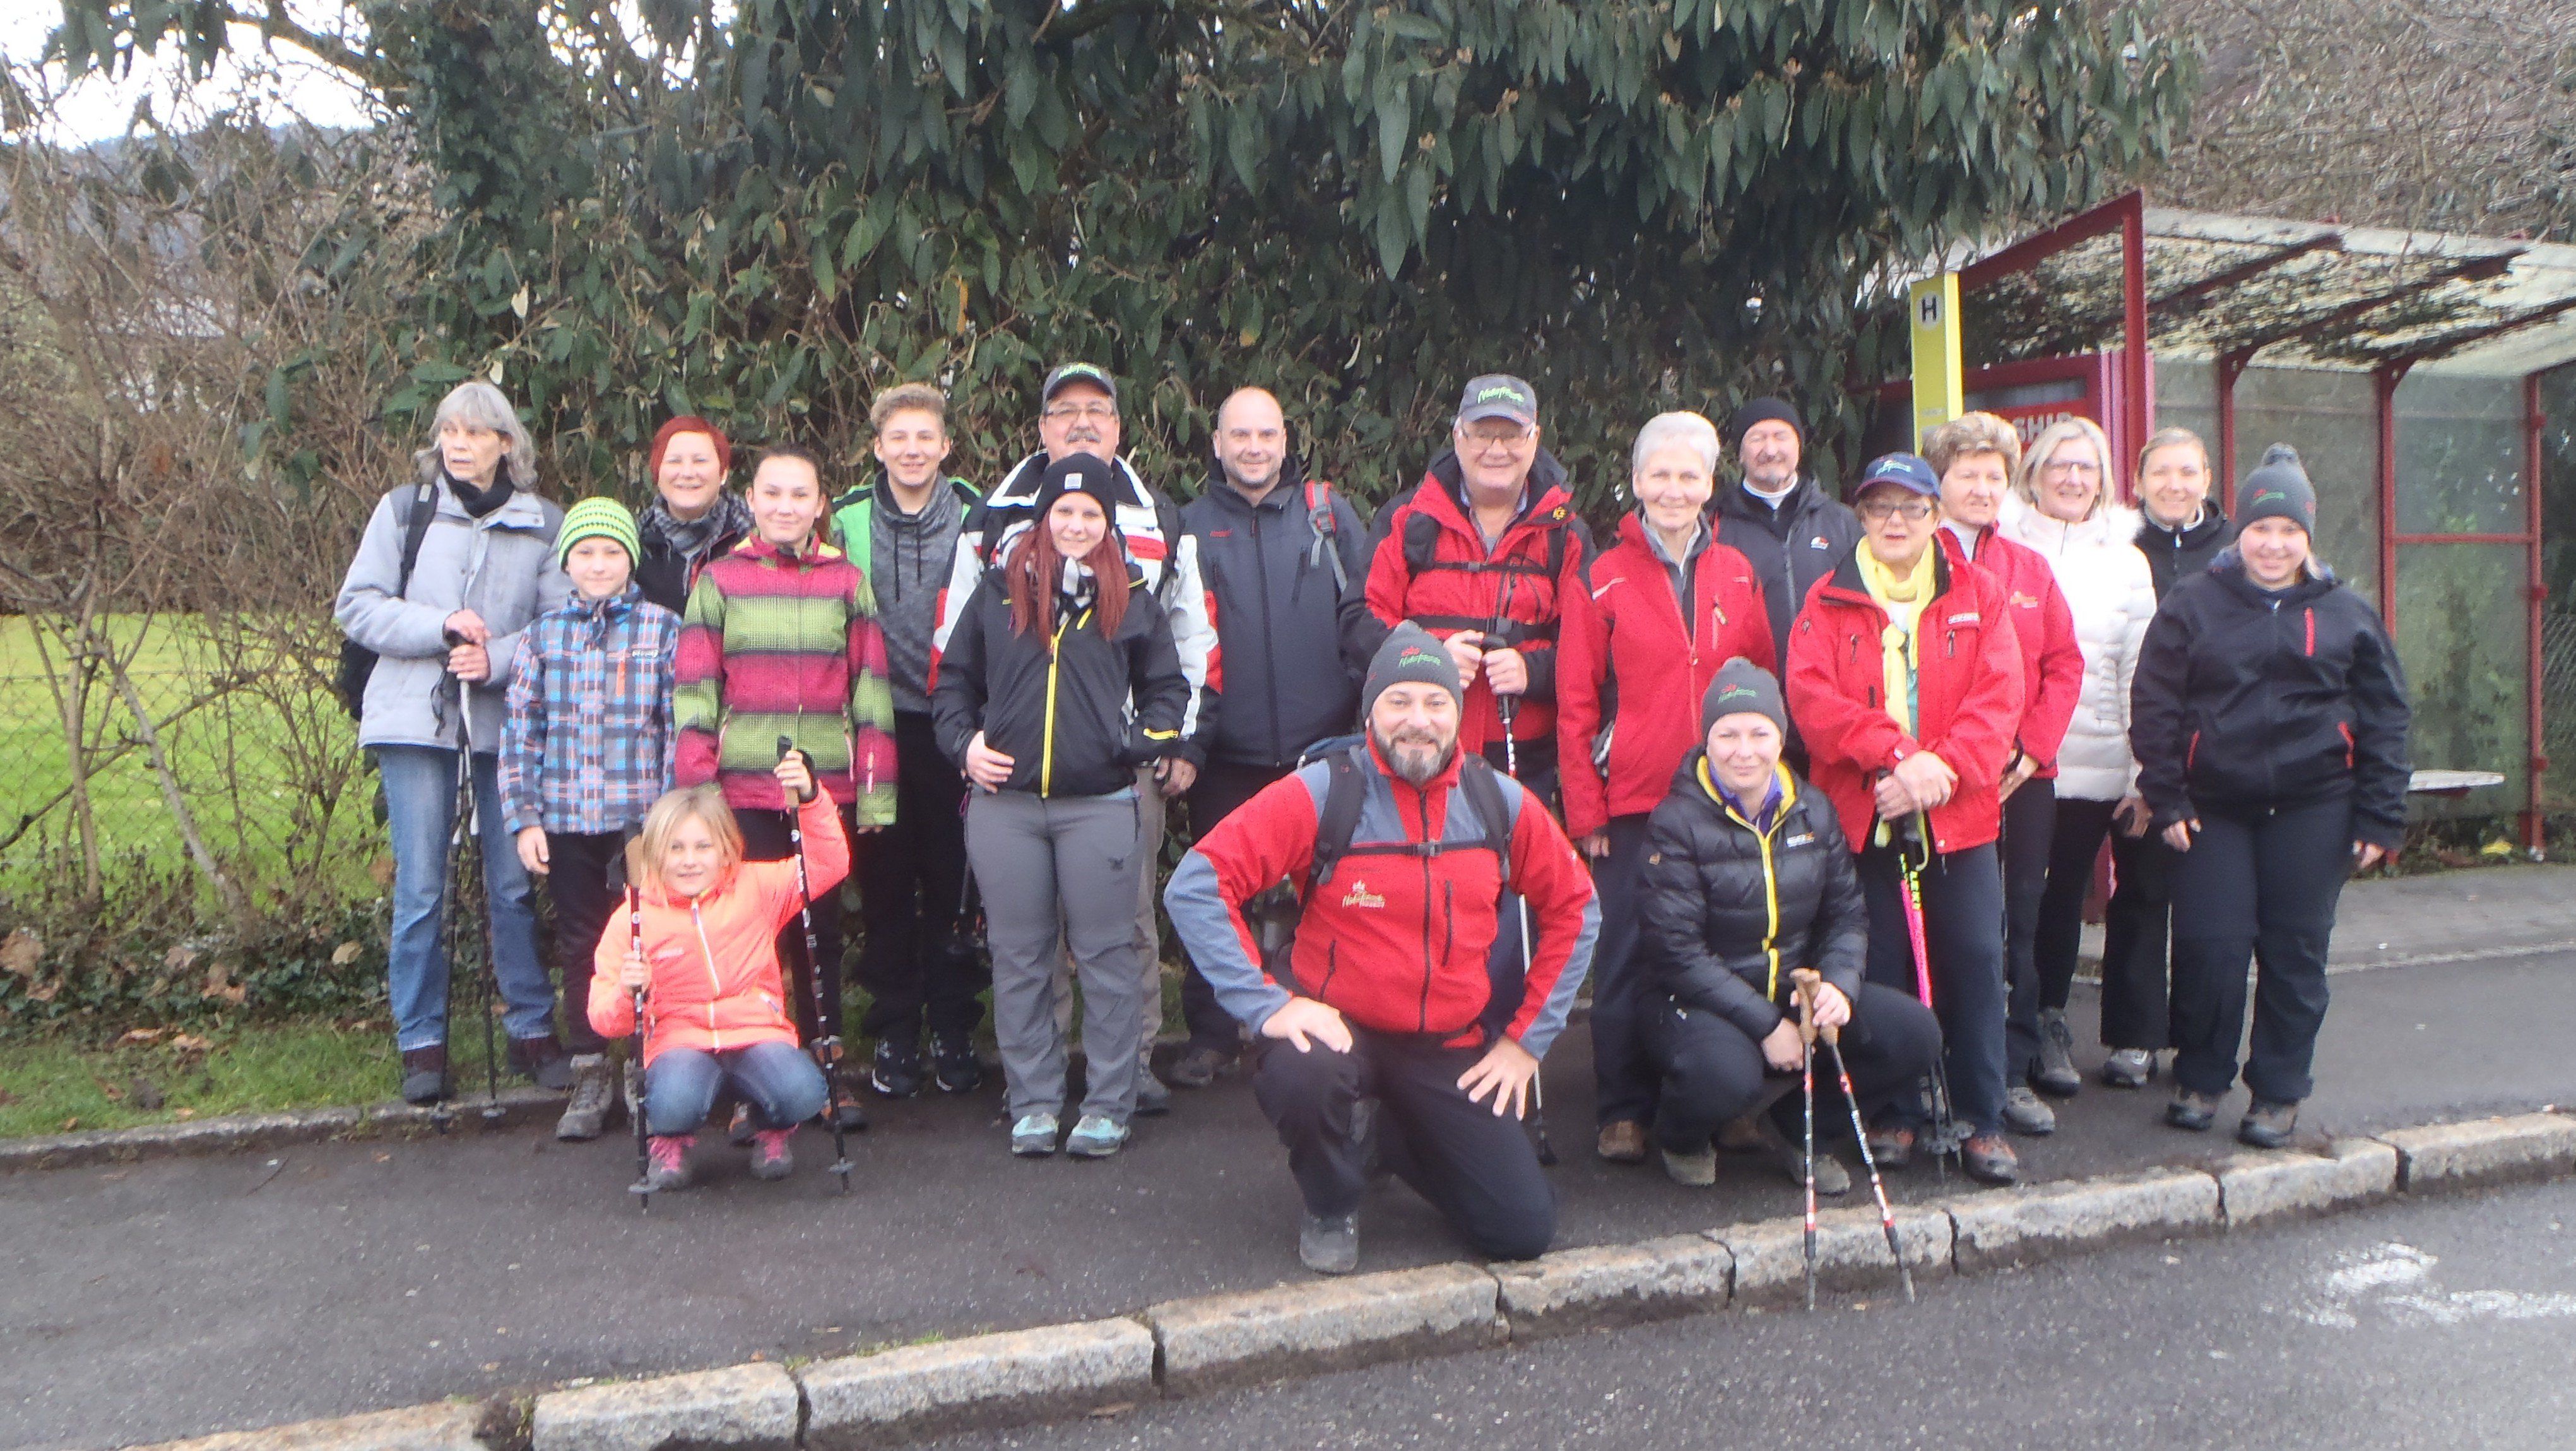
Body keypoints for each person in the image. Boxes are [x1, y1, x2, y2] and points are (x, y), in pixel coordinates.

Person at [1163, 625, 1599, 1274]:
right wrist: (1266, 1004)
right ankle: (1331, 1200)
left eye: (1435, 702)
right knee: (1302, 1073)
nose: (1418, 720)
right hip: (1336, 1027)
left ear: (1457, 712)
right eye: (1399, 701)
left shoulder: (1497, 801)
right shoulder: (1324, 790)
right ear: (1370, 710)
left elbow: (1576, 906)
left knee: (1521, 1229)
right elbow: (1198, 884)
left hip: (1446, 1043)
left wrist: (1525, 1040)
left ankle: (1390, 1137)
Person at [935, 362, 1221, 1115]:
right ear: (1041, 429)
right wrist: (966, 742)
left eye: (1098, 408)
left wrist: (1170, 741)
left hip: (1115, 776)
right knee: (1027, 940)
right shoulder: (989, 521)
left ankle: (1128, 1068)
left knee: (1123, 930)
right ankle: (1038, 1081)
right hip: (1013, 776)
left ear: (1119, 426)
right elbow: (953, 653)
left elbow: (1187, 644)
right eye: (1065, 410)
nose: (1082, 421)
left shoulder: (1159, 519)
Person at [2130, 446, 2410, 1149]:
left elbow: (2386, 716)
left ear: (2307, 536)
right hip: (2212, 807)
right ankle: (2201, 1077)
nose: (2274, 544)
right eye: (2261, 528)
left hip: (2316, 806)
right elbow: (2155, 703)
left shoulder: (2346, 611)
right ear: (2240, 532)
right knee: (2211, 947)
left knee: (2295, 952)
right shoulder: (2194, 603)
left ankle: (2278, 1091)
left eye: (2289, 531)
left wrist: (2380, 815)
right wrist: (2166, 796)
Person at [1785, 452, 2025, 1185]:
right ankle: (1892, 1110)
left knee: (1975, 961)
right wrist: (1895, 758)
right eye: (1880, 507)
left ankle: (1981, 1115)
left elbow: (1999, 698)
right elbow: (1813, 702)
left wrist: (1936, 772)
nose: (1896, 521)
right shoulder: (1826, 597)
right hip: (1866, 814)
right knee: (1880, 967)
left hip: (1958, 813)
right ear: (1860, 516)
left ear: (1934, 516)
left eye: (1911, 508)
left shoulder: (1978, 592)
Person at [334, 380, 569, 1105]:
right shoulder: (404, 512)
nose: (458, 445)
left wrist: (494, 657)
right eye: (449, 431)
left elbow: (560, 626)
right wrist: (437, 627)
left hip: (505, 725)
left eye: (474, 432)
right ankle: (421, 1039)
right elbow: (358, 606)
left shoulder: (545, 523)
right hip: (412, 720)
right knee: (421, 887)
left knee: (511, 883)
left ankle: (531, 1026)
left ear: (506, 443)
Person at [1555, 411, 1775, 1164]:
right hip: (1633, 800)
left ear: (1709, 485)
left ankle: (1727, 1101)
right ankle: (1622, 1107)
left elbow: (1759, 684)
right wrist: (1585, 809)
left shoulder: (1736, 570)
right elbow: (1575, 702)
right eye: (1660, 474)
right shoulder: (1600, 576)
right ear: (1636, 482)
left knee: (1726, 949)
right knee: (1625, 951)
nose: (1674, 489)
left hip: (1723, 799)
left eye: (1688, 475)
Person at [1639, 661, 1943, 1192]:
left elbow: (1846, 913)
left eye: (1760, 733)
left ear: (1781, 738)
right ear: (1707, 740)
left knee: (1915, 1034)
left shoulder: (1814, 811)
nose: (1744, 750)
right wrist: (1766, 1024)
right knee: (1725, 1075)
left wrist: (1838, 986)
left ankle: (1800, 1130)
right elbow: (1676, 952)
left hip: (1792, 989)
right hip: (1700, 1002)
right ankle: (1681, 1136)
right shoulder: (1675, 822)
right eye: (1728, 734)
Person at [674, 444, 897, 1131]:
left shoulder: (846, 581)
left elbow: (870, 688)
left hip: (820, 790)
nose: (785, 506)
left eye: (800, 495)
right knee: (750, 937)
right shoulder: (719, 579)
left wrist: (875, 790)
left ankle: (826, 1070)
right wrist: (696, 790)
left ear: (820, 504)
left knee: (819, 933)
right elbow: (695, 689)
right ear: (751, 500)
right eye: (772, 493)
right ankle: (755, 1084)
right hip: (739, 793)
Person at [1364, 376, 1592, 1034]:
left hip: (1524, 758)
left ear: (1535, 440)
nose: (1497, 449)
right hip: (1421, 757)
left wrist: (1533, 669)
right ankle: (1422, 1043)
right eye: (1483, 433)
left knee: (1516, 913)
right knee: (1423, 905)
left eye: (1511, 435)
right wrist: (1429, 660)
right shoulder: (1406, 521)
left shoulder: (1566, 532)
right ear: (1457, 437)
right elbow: (1360, 622)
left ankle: (1503, 1046)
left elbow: (1587, 649)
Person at [1172, 386, 1376, 1087]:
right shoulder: (1190, 525)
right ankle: (1210, 1034)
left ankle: (1330, 1023)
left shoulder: (1328, 515)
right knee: (1217, 892)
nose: (1254, 447)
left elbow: (1364, 615)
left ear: (1286, 442)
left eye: (1266, 434)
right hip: (1227, 753)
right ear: (1217, 443)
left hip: (1324, 750)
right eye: (1240, 435)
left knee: (1332, 897)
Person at [499, 497, 682, 1139]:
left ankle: (643, 1062)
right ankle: (589, 1065)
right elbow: (521, 732)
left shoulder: (663, 628)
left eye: (610, 552)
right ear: (567, 562)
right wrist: (525, 817)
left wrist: (668, 815)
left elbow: (677, 725)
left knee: (643, 937)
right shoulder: (542, 636)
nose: (598, 565)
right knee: (581, 942)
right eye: (585, 553)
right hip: (567, 817)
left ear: (630, 559)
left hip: (638, 821)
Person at [1923, 413, 2081, 1138]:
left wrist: (2029, 749)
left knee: (2017, 922)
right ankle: (1938, 1068)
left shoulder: (2028, 569)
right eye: (1967, 475)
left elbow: (2063, 664)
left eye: (1994, 476)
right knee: (1951, 928)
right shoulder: (1912, 562)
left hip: (2021, 777)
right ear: (1939, 481)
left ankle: (2010, 1070)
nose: (1982, 488)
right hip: (1945, 777)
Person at [829, 384, 987, 1099]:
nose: (913, 450)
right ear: (878, 448)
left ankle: (954, 1026)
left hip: (956, 725)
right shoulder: (845, 519)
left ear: (946, 445)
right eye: (899, 437)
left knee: (956, 880)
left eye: (925, 437)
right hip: (877, 724)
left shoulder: (981, 513)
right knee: (886, 884)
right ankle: (894, 1028)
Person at [588, 757, 845, 1190]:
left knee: (805, 1092)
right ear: (654, 852)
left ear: (726, 848)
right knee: (670, 1103)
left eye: (703, 847)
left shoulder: (756, 887)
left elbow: (828, 864)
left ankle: (772, 1129)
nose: (689, 861)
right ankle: (669, 1142)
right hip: (679, 1041)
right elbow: (603, 1018)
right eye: (676, 848)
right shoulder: (632, 917)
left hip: (755, 1030)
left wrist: (811, 797)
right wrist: (627, 992)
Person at [2001, 418, 2159, 1101]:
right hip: (2007, 763)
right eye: (2059, 465)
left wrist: (2141, 769)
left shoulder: (2126, 561)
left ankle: (2047, 1019)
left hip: (2091, 758)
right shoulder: (2001, 544)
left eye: (2086, 467)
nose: (2071, 478)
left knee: (2062, 896)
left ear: (2104, 481)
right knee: (2009, 899)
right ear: (2032, 474)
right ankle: (1999, 1025)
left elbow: (2137, 670)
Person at [2094, 427, 2236, 1088]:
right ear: (2137, 481)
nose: (2174, 485)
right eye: (2160, 473)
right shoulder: (2119, 550)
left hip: (2220, 751)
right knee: (2140, 892)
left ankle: (2198, 1042)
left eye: (2187, 472)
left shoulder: (2237, 548)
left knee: (2211, 909)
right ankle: (2134, 1036)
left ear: (2207, 478)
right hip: (2145, 746)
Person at [1709, 398, 1862, 769]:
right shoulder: (1715, 526)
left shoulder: (1840, 522)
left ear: (1799, 446)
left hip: (1834, 709)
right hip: (1749, 720)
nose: (1770, 449)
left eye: (1781, 436)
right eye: (1757, 438)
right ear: (1739, 453)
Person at [634, 417, 751, 615]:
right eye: (674, 461)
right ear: (656, 474)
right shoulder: (636, 543)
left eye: (700, 461)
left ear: (723, 473)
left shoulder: (752, 538)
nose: (687, 473)